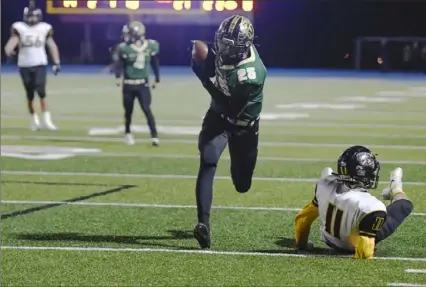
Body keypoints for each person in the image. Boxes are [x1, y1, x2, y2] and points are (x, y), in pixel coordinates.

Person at [191, 15, 267, 249]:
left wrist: (204, 79)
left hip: (242, 124)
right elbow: (199, 49)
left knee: (242, 183)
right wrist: (197, 57)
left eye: (228, 46)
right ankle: (203, 225)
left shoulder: (250, 74)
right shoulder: (228, 52)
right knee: (208, 162)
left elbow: (231, 108)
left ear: (243, 47)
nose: (222, 49)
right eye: (221, 42)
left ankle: (241, 178)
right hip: (217, 118)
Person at [294, 145, 413, 259]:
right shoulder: (372, 206)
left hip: (328, 239)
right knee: (404, 205)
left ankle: (329, 178)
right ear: (362, 172)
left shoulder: (323, 184)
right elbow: (365, 253)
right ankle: (395, 187)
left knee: (327, 188)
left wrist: (301, 245)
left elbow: (302, 219)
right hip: (352, 245)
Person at [4, 4, 61, 131]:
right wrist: (8, 50)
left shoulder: (44, 28)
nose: (32, 19)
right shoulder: (20, 27)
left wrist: (56, 62)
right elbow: (12, 41)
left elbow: (52, 45)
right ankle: (34, 120)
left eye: (34, 17)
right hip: (24, 64)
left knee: (41, 92)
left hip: (40, 63)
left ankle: (47, 120)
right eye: (30, 17)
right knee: (30, 95)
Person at [112, 21, 160, 146]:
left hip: (142, 83)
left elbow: (155, 62)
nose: (126, 36)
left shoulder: (150, 46)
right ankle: (128, 133)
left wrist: (157, 78)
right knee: (128, 111)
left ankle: (154, 135)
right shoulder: (124, 48)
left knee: (146, 109)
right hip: (128, 83)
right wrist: (118, 77)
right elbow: (120, 65)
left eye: (129, 33)